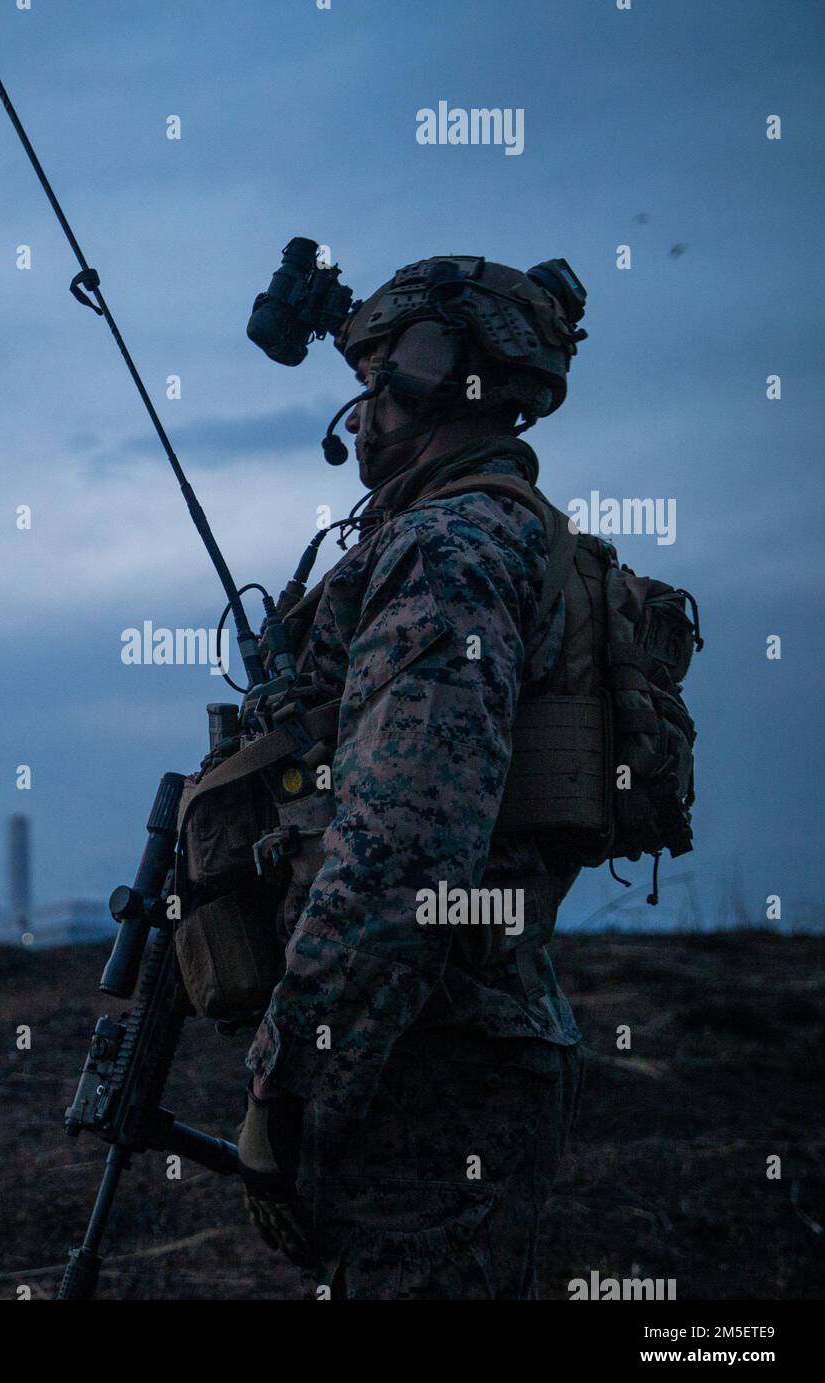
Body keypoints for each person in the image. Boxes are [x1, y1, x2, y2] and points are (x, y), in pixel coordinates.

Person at [236, 256, 589, 1298]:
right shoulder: (494, 536)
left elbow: (405, 859)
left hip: (426, 1074)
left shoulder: (447, 552)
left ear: (431, 372)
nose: (362, 404)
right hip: (448, 1044)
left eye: (380, 368)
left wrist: (290, 1088)